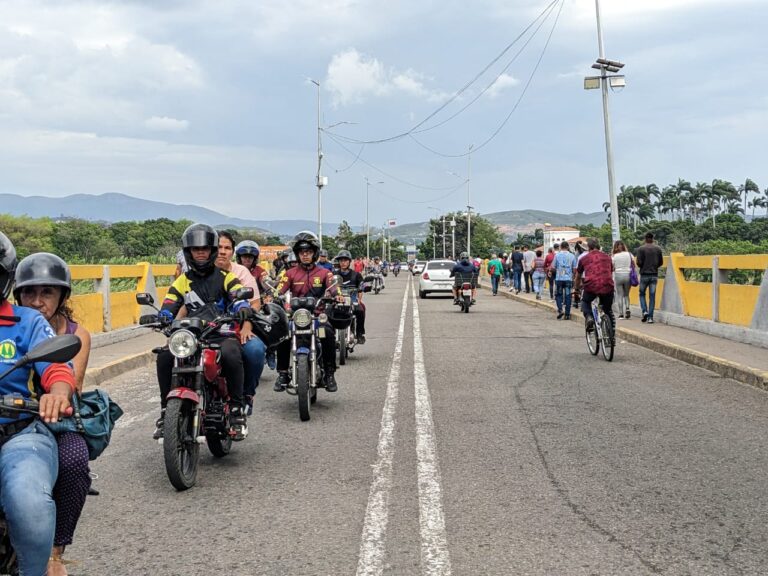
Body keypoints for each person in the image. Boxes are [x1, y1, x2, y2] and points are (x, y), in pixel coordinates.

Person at [0, 231, 76, 576]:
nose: (39, 298)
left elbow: (58, 366)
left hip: (19, 431)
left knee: (28, 502)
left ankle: (41, 565)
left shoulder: (27, 321)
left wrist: (57, 393)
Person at [13, 253, 93, 576]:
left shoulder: (75, 335)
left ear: (62, 296)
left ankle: (55, 551)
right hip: (12, 419)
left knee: (74, 458)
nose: (37, 301)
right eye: (29, 293)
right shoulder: (13, 325)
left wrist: (57, 394)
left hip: (54, 417)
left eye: (46, 293)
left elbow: (70, 382)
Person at [153, 223, 250, 441]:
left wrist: (242, 308)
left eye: (204, 249)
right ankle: (164, 412)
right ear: (188, 253)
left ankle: (236, 409)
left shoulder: (226, 278)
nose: (200, 253)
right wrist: (164, 315)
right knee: (165, 356)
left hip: (221, 333)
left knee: (232, 354)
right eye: (195, 250)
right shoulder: (182, 281)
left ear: (212, 250)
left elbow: (237, 295)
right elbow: (170, 302)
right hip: (191, 336)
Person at [273, 231, 341, 393]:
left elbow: (333, 287)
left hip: (317, 316)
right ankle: (283, 373)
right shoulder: (289, 273)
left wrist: (338, 296)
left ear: (315, 253)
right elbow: (279, 289)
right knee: (282, 334)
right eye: (302, 252)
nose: (305, 255)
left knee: (329, 333)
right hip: (296, 317)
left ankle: (329, 373)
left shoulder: (325, 273)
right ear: (297, 254)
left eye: (309, 252)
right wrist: (273, 296)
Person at [217, 232, 266, 416]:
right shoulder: (199, 272)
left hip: (235, 327)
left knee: (255, 350)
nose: (222, 252)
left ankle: (246, 395)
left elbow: (254, 303)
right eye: (218, 248)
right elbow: (182, 302)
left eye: (227, 248)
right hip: (205, 329)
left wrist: (246, 325)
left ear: (232, 252)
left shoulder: (240, 273)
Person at [578, 238, 616, 338]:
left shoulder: (584, 258)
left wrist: (576, 288)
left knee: (585, 302)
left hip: (591, 286)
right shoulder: (608, 257)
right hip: (607, 286)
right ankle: (611, 336)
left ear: (588, 248)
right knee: (608, 310)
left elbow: (578, 276)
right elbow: (611, 271)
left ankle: (589, 317)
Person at [334, 250, 367, 344]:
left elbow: (360, 288)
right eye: (341, 261)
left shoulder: (356, 275)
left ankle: (360, 333)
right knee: (327, 312)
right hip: (336, 300)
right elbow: (329, 286)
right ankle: (329, 334)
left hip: (352, 300)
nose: (343, 263)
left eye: (345, 260)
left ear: (349, 261)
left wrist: (359, 300)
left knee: (361, 309)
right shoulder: (334, 274)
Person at [636, 232, 664, 324]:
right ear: (653, 238)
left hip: (644, 275)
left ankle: (645, 311)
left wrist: (643, 266)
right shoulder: (658, 249)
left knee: (642, 294)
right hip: (654, 275)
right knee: (652, 297)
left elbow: (639, 263)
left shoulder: (641, 249)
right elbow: (661, 262)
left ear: (645, 238)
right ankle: (650, 318)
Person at [553, 241, 577, 320]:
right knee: (568, 296)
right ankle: (567, 314)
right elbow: (574, 269)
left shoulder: (557, 255)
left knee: (559, 295)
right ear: (567, 247)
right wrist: (573, 277)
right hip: (568, 279)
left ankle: (560, 310)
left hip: (559, 278)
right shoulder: (572, 256)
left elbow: (554, 267)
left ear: (560, 247)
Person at [612, 240, 634, 320]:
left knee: (620, 295)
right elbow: (633, 265)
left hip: (618, 275)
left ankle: (621, 314)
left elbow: (612, 267)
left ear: (616, 247)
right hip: (628, 274)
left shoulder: (614, 256)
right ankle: (627, 308)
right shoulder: (629, 254)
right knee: (626, 294)